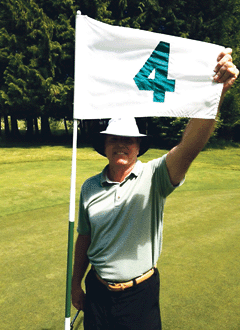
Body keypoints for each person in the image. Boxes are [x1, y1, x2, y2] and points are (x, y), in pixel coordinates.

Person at [71, 49, 239, 330]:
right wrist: (75, 284)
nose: (121, 143)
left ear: (139, 147)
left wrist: (216, 94)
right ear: (104, 146)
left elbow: (189, 147)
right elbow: (84, 240)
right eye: (114, 138)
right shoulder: (89, 186)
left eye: (129, 139)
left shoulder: (155, 175)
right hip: (97, 293)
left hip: (139, 295)